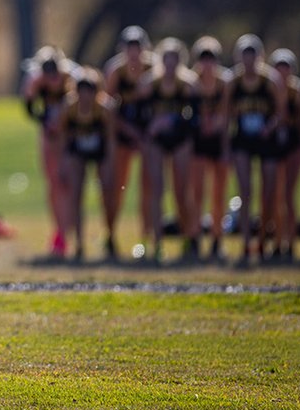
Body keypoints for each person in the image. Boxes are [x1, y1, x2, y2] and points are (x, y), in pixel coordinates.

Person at [221, 34, 286, 268]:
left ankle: (263, 240)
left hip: (265, 139)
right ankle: (246, 243)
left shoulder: (270, 80)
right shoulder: (233, 82)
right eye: (244, 57)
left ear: (260, 57)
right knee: (245, 191)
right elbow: (227, 116)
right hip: (243, 140)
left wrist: (270, 127)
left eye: (252, 57)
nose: (248, 62)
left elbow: (281, 112)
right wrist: (226, 147)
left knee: (268, 192)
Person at [140, 38, 197, 263]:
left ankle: (187, 236)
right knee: (156, 190)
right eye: (167, 60)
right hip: (156, 142)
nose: (171, 65)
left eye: (175, 61)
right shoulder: (149, 84)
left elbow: (195, 118)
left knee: (182, 190)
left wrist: (172, 121)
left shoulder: (188, 85)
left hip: (180, 141)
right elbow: (139, 114)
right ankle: (157, 241)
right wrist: (151, 127)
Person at [103, 26, 154, 260]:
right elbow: (108, 108)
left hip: (148, 134)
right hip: (124, 133)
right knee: (118, 185)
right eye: (129, 48)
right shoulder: (116, 70)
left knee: (149, 187)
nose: (134, 53)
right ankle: (111, 235)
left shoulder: (153, 69)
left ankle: (146, 238)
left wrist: (146, 134)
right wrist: (126, 130)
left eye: (137, 48)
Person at [59, 68, 116, 262]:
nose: (85, 94)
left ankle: (110, 235)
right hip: (77, 150)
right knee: (76, 195)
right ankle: (79, 243)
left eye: (90, 89)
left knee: (107, 192)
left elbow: (110, 139)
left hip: (99, 151)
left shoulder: (105, 109)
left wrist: (109, 164)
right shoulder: (69, 107)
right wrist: (64, 163)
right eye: (81, 89)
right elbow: (63, 136)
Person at [21, 46, 73, 258]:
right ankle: (59, 231)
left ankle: (70, 230)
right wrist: (46, 121)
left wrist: (62, 120)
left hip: (69, 135)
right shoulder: (35, 81)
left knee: (67, 183)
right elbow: (29, 107)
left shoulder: (71, 78)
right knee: (53, 183)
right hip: (50, 135)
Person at [189, 37, 230, 262]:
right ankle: (195, 237)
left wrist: (224, 146)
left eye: (211, 59)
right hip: (198, 141)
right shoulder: (192, 83)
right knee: (197, 192)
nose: (207, 64)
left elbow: (224, 116)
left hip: (217, 139)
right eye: (203, 59)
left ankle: (217, 238)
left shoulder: (224, 83)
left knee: (218, 193)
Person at [269, 49, 300, 263]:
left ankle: (290, 242)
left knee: (289, 196)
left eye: (286, 68)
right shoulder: (269, 90)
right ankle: (277, 240)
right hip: (274, 146)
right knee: (275, 195)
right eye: (278, 68)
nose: (282, 72)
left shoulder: (298, 91)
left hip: (293, 145)